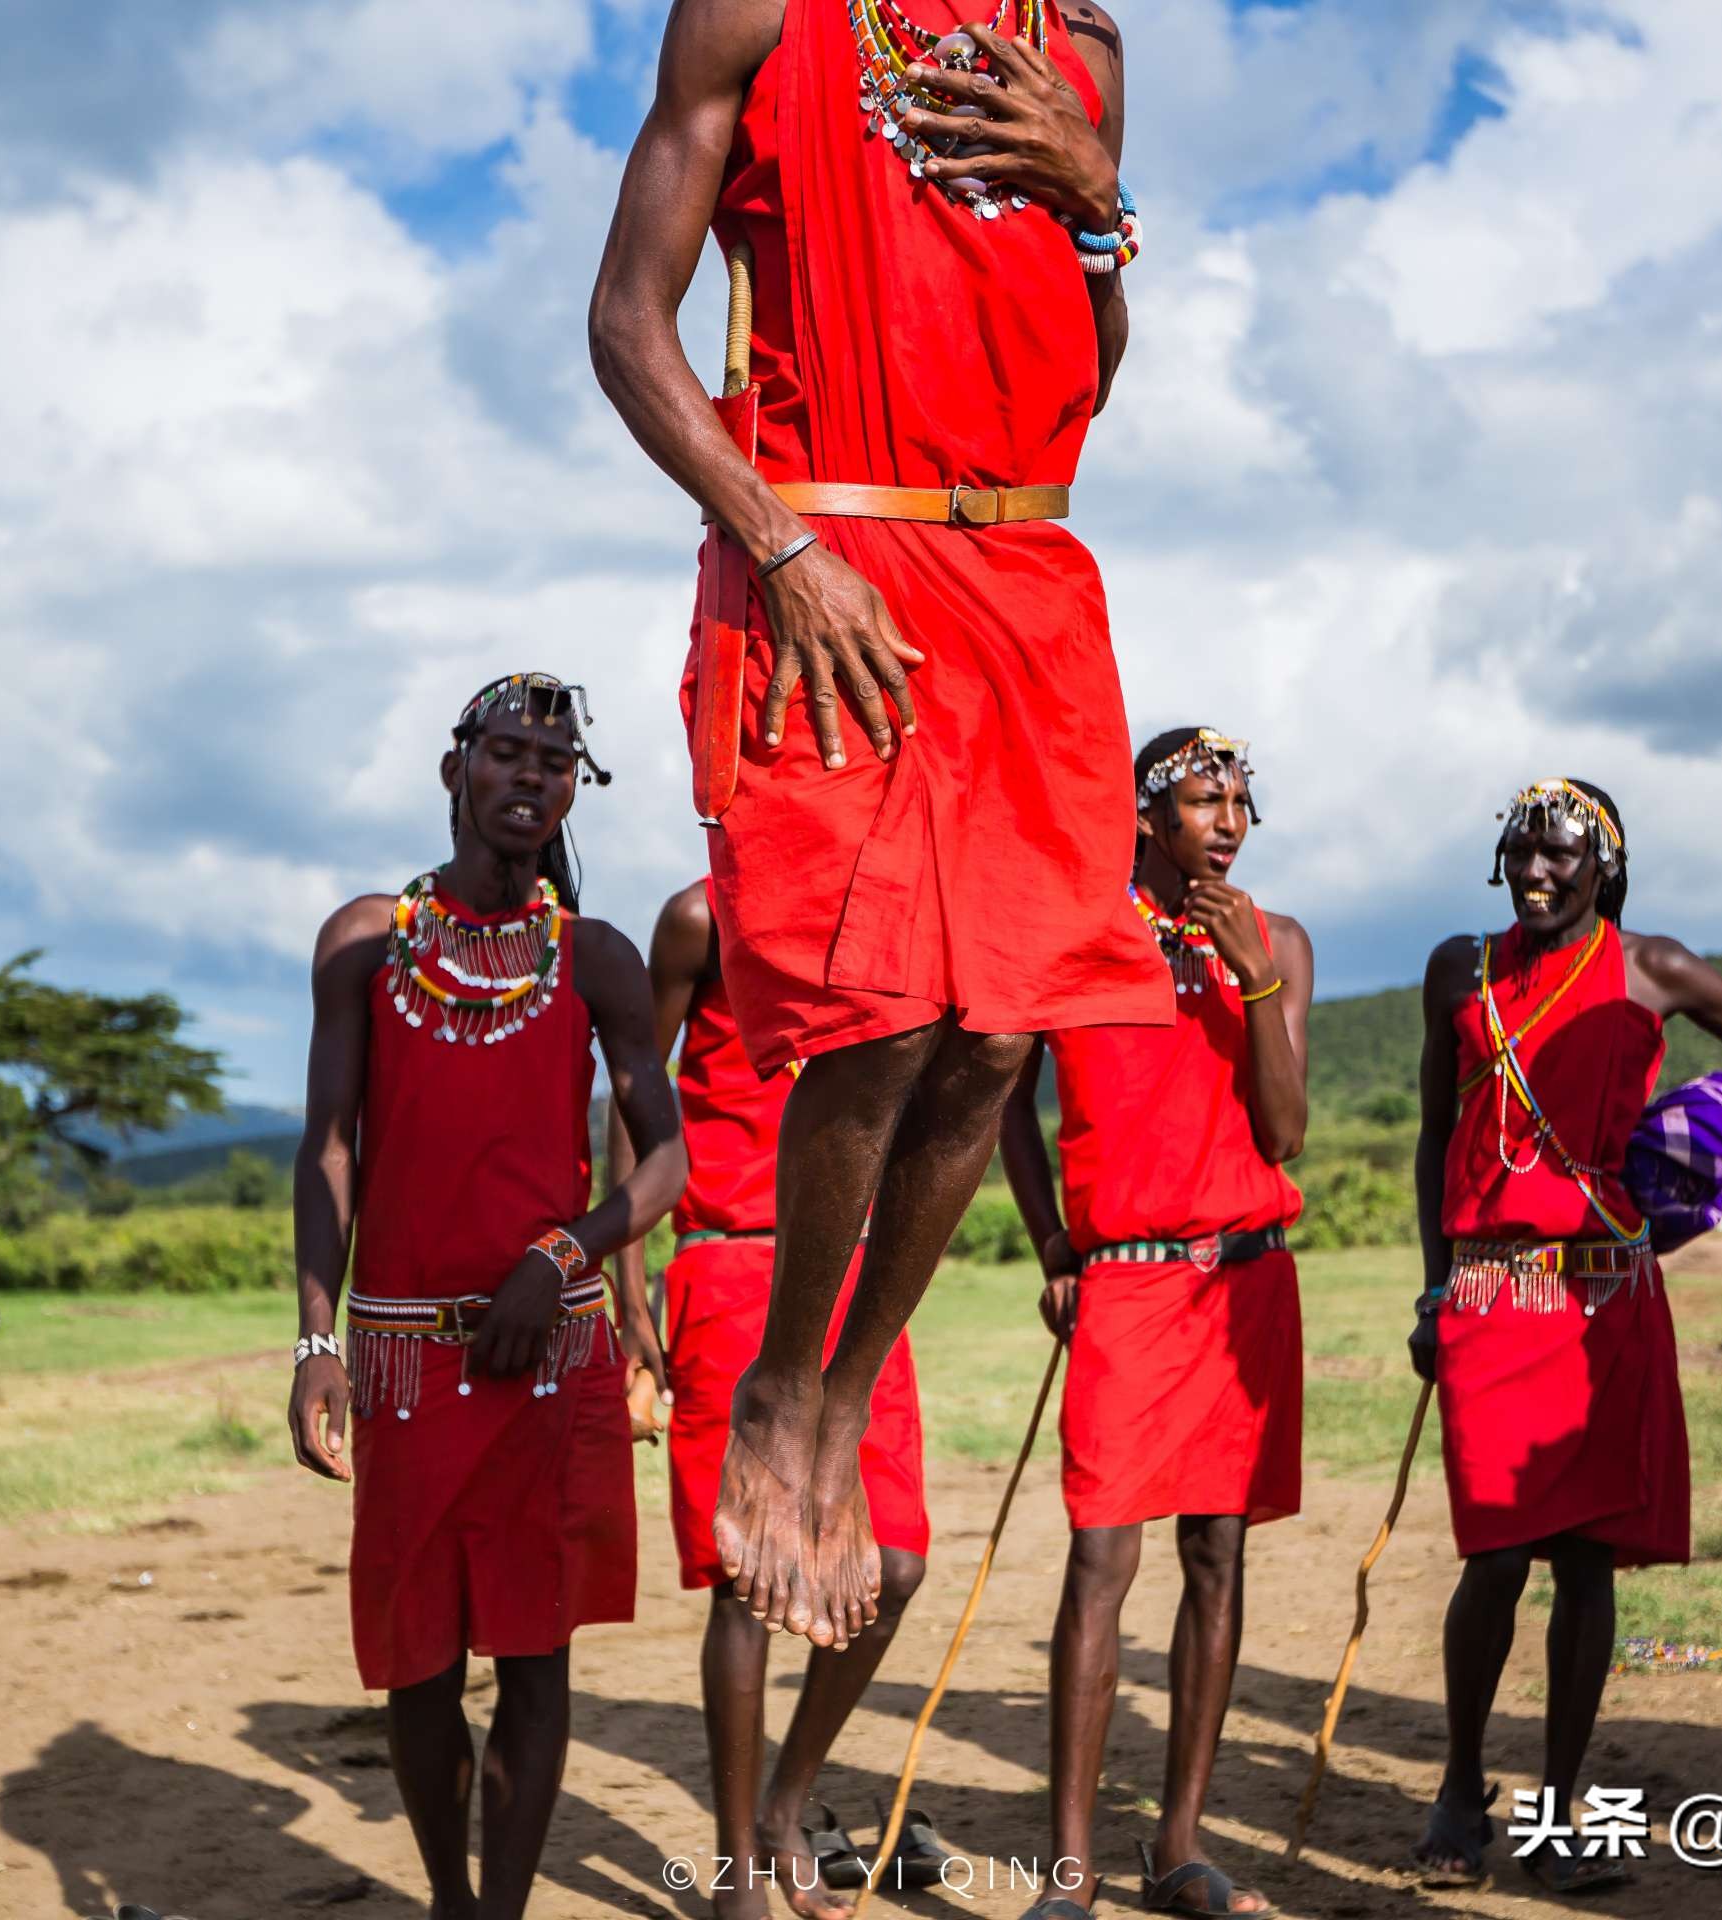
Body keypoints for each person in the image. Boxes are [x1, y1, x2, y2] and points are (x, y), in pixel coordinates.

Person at [590, 0, 1172, 1646]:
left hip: (1027, 575)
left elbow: (1087, 375)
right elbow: (626, 323)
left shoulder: (1079, 42)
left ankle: (843, 1395)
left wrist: (1101, 207)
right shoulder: (760, 12)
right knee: (889, 1005)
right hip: (826, 556)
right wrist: (782, 547)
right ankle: (781, 1391)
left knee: (1000, 1034)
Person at [289, 674, 687, 1920]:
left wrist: (562, 1256)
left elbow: (665, 1160)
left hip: (548, 1359)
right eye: (507, 752)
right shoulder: (366, 941)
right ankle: (452, 1903)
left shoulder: (598, 958)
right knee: (417, 1664)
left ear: (575, 790)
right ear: (454, 771)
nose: (531, 775)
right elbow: (329, 1146)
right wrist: (314, 1339)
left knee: (533, 1652)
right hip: (404, 1361)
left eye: (555, 762)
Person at [1409, 777, 1722, 1893]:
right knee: (1493, 1558)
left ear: (1605, 868)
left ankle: (1560, 1808)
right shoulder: (1459, 969)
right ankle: (1460, 1785)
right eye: (1521, 851)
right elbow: (1435, 1137)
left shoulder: (1652, 968)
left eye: (1562, 855)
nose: (1537, 872)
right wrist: (1432, 1292)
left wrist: (1715, 1137)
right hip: (1493, 1291)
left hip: (1606, 1303)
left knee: (1586, 1562)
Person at [998, 727, 1311, 1920]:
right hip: (1125, 1285)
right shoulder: (1076, 933)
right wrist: (1052, 1244)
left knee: (1217, 1554)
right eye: (1203, 799)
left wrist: (1257, 981)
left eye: (1241, 802)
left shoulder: (1276, 941)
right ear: (1145, 814)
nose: (1229, 822)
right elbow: (1006, 1103)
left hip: (1245, 1285)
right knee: (1101, 1560)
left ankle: (1177, 1844)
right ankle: (1071, 1871)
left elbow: (1285, 1134)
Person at [615, 875, 937, 1919]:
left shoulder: (895, 905)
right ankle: (737, 1873)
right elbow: (630, 1093)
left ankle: (782, 1807)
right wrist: (629, 1290)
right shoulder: (699, 919)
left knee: (895, 1564)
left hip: (854, 1272)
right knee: (744, 1577)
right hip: (729, 1260)